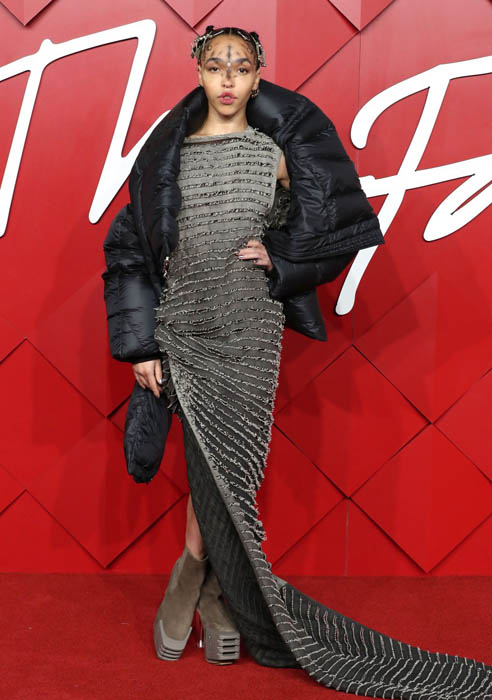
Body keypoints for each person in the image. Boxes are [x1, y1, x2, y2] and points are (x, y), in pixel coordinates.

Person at [102, 25, 492, 697]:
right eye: (216, 65)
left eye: (241, 66)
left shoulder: (273, 154)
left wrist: (281, 259)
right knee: (206, 463)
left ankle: (195, 574)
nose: (228, 78)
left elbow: (331, 220)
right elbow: (129, 246)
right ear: (198, 71)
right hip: (184, 330)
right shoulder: (166, 156)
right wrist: (140, 347)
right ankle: (209, 589)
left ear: (259, 77)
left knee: (234, 468)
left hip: (251, 333)